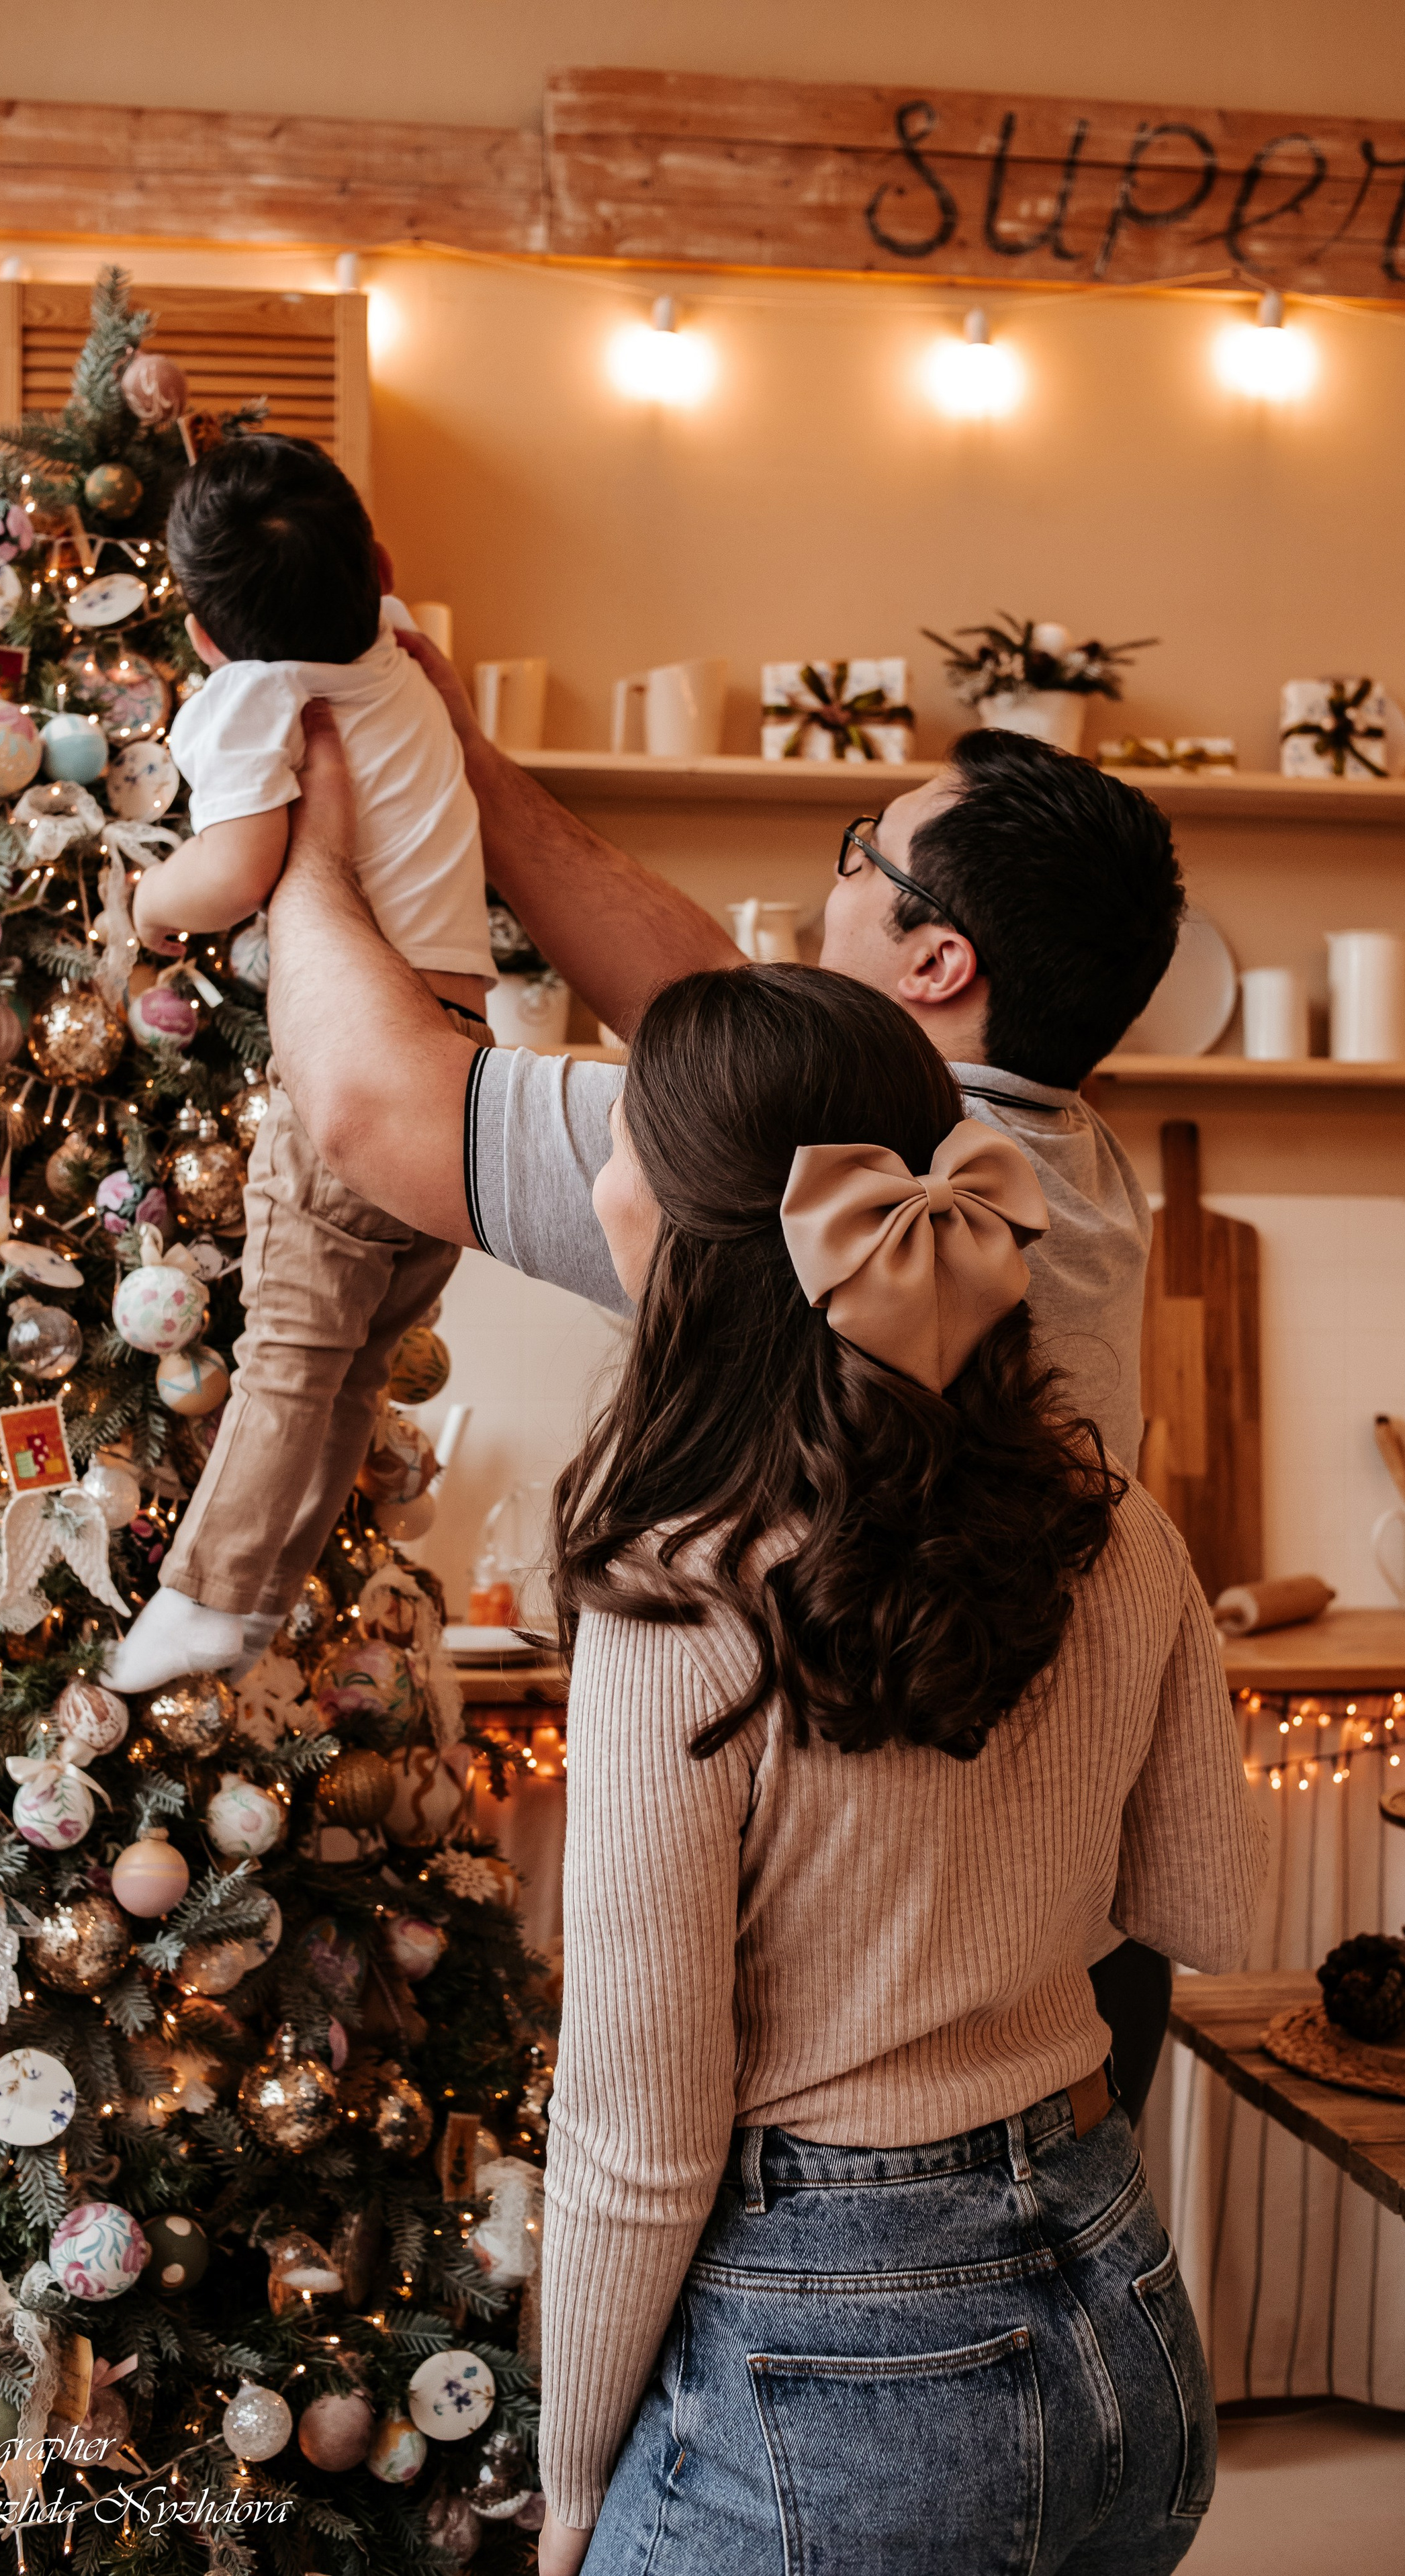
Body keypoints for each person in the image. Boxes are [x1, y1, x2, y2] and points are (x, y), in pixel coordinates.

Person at [265, 662, 1188, 2117]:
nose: (826, 884)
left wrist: (301, 840)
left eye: (856, 858)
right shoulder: (1051, 1151)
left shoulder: (819, 1180)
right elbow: (707, 1004)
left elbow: (369, 1099)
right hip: (1044, 1981)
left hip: (848, 2032)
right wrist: (469, 761)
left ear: (935, 959)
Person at [535, 964, 1267, 2572]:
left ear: (676, 1222)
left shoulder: (680, 1592)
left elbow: (635, 2132)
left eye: (617, 1135)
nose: (596, 1169)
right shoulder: (1114, 1521)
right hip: (1117, 2291)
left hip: (841, 2352)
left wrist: (572, 2477)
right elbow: (1206, 1901)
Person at [106, 435, 495, 1693]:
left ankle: (211, 1593)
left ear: (206, 638)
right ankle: (260, 1595)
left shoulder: (254, 701)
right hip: (465, 1080)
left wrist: (144, 906)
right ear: (375, 568)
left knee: (289, 1351)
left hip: (361, 1066)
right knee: (353, 1367)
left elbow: (231, 873)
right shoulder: (398, 652)